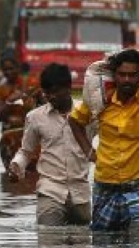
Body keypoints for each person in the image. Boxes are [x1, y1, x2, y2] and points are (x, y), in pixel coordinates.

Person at [69, 48, 139, 233]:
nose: (126, 80)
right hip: (105, 185)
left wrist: (130, 53)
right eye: (122, 74)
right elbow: (75, 121)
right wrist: (89, 151)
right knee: (102, 247)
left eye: (132, 75)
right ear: (114, 76)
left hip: (138, 184)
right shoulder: (100, 99)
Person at [9, 63, 91, 227]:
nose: (51, 97)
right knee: (49, 243)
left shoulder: (87, 114)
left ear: (68, 88)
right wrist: (17, 165)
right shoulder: (35, 117)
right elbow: (26, 151)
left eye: (55, 91)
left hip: (81, 193)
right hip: (50, 192)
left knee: (83, 247)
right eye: (47, 93)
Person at [0, 54, 38, 172]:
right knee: (13, 178)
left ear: (18, 68)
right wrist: (10, 101)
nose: (8, 72)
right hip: (9, 140)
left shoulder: (31, 86)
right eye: (5, 69)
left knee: (34, 177)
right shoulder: (0, 91)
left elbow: (46, 107)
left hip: (33, 139)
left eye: (11, 68)